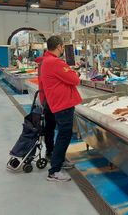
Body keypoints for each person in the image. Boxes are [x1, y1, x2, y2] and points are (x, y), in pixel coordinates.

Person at [40, 36, 82, 182]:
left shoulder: (46, 61)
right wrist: (74, 73)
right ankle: (54, 171)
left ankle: (59, 161)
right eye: (62, 47)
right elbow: (75, 80)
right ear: (59, 47)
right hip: (63, 104)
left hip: (56, 103)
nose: (63, 49)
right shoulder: (55, 62)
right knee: (64, 135)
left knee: (62, 134)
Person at [35, 51, 56, 161]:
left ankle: (50, 150)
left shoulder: (41, 64)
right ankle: (52, 152)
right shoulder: (47, 64)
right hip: (50, 100)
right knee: (51, 127)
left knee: (49, 127)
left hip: (45, 99)